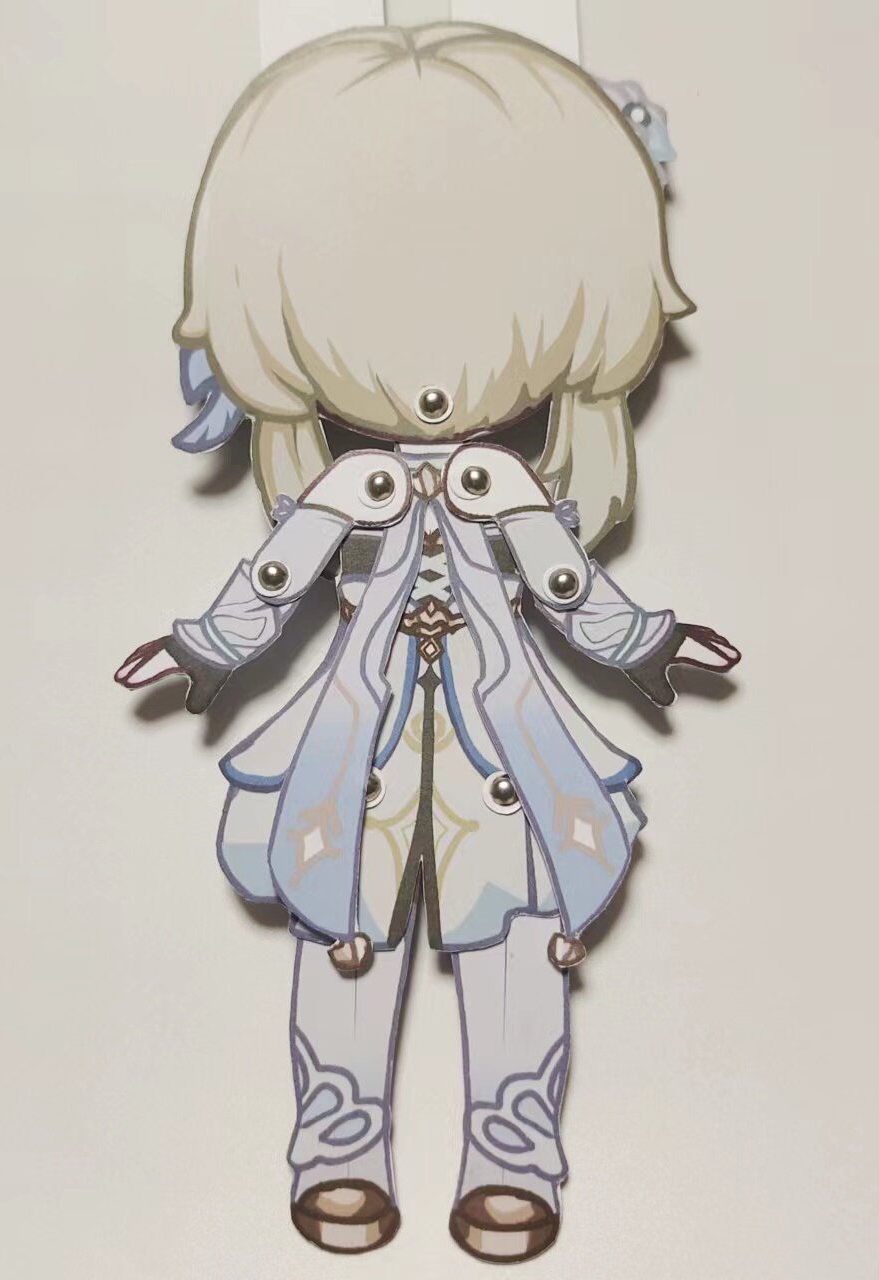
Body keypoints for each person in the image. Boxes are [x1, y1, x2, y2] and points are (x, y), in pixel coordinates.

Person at [116, 24, 739, 1262]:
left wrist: (649, 641)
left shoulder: (509, 493)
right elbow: (273, 580)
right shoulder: (343, 495)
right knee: (341, 922)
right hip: (357, 746)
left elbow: (569, 588)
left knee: (518, 931)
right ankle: (335, 1145)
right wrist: (201, 648)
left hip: (503, 747)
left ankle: (514, 1152)